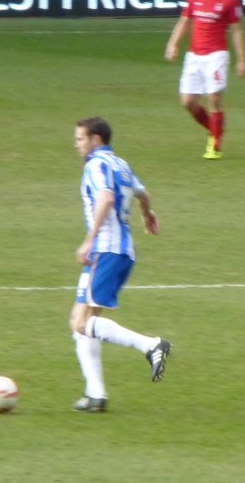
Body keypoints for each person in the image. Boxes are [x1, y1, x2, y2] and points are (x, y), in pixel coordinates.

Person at [69, 116, 170, 413]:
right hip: (120, 251)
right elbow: (142, 192)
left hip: (106, 251)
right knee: (78, 323)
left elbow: (105, 198)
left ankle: (150, 345)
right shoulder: (121, 164)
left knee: (83, 323)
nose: (76, 145)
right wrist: (147, 213)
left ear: (96, 139)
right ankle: (95, 394)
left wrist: (90, 238)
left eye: (80, 139)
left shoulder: (96, 165)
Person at [164, 0, 245, 160]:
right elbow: (184, 22)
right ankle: (214, 128)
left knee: (214, 98)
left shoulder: (230, 1)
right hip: (194, 55)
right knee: (187, 101)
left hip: (216, 55)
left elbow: (236, 31)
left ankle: (215, 145)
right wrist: (172, 44)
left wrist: (242, 60)